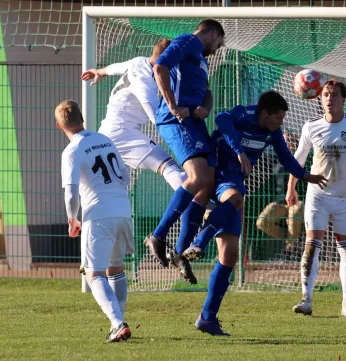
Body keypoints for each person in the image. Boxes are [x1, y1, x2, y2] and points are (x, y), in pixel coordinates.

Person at [181, 90, 327, 336]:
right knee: (237, 198)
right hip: (218, 174)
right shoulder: (243, 114)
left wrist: (305, 176)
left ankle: (207, 317)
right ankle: (197, 241)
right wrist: (238, 150)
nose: (279, 124)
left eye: (282, 120)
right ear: (263, 113)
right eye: (277, 119)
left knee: (229, 256)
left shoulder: (272, 132)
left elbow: (286, 156)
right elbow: (221, 120)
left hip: (235, 180)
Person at [287, 79, 346, 318]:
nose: (330, 98)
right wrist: (291, 188)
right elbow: (298, 159)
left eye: (335, 94)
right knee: (311, 246)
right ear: (319, 97)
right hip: (317, 196)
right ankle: (306, 299)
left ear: (343, 99)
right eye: (326, 94)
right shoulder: (311, 126)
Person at [143, 20, 225, 282]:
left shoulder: (200, 58)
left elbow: (208, 93)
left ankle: (180, 251)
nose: (217, 49)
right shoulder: (187, 41)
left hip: (195, 120)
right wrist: (173, 105)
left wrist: (206, 107)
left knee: (208, 182)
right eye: (218, 43)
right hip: (176, 119)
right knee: (197, 177)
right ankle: (157, 234)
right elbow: (160, 67)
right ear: (212, 33)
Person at [57, 100, 133, 342]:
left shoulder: (72, 150)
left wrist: (72, 218)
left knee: (94, 274)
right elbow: (125, 173)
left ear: (59, 126)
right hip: (123, 210)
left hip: (99, 214)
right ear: (82, 119)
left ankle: (117, 322)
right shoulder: (104, 139)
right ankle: (119, 321)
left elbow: (71, 191)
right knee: (116, 268)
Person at [80, 39, 188, 191]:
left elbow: (117, 67)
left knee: (111, 187)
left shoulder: (140, 61)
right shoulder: (145, 82)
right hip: (123, 135)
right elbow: (157, 119)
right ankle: (198, 204)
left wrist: (100, 72)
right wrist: (181, 132)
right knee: (168, 167)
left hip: (110, 131)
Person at [256, 131, 304, 258]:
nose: (288, 144)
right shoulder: (277, 160)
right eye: (285, 141)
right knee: (262, 222)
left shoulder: (304, 159)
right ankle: (293, 241)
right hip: (281, 202)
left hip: (300, 201)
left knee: (294, 213)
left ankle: (290, 251)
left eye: (291, 141)